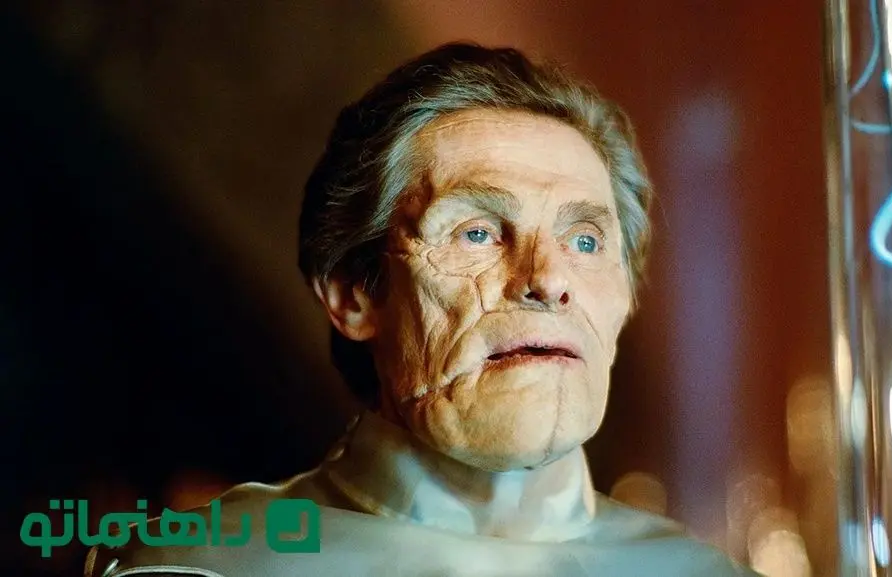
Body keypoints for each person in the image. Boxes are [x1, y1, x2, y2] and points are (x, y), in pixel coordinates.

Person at [84, 42, 758, 577]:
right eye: (478, 233)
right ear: (354, 295)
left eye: (585, 240)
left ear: (626, 297)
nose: (548, 279)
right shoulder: (203, 566)